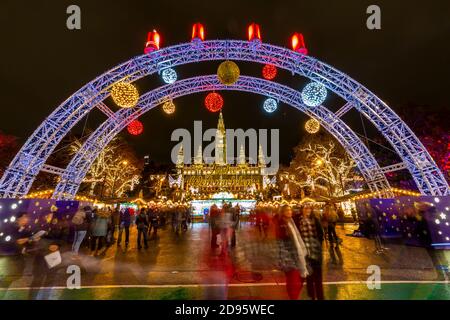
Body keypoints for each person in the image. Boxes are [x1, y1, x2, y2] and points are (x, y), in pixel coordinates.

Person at [273, 204, 309, 300]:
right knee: (293, 280)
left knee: (301, 277)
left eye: (290, 210)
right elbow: (281, 242)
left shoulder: (291, 221)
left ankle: (293, 296)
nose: (290, 212)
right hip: (288, 256)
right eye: (287, 210)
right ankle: (293, 297)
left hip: (297, 253)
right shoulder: (282, 224)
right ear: (282, 212)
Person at [297, 205, 325, 300]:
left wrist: (318, 245)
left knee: (318, 276)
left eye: (309, 208)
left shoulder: (315, 220)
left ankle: (320, 296)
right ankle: (312, 296)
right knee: (309, 277)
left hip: (315, 251)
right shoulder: (299, 221)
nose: (307, 210)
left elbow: (321, 234)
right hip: (305, 253)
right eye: (305, 208)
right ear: (302, 210)